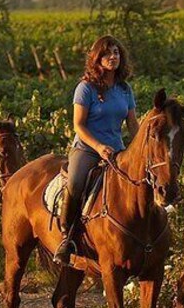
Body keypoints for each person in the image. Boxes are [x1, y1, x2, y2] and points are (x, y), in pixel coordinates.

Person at [53, 35, 139, 266]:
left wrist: (139, 149)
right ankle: (66, 237)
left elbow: (132, 124)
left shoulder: (124, 89)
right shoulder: (86, 88)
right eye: (107, 54)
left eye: (116, 53)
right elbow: (78, 125)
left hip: (117, 150)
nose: (113, 57)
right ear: (96, 58)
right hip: (88, 149)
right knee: (76, 182)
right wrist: (99, 147)